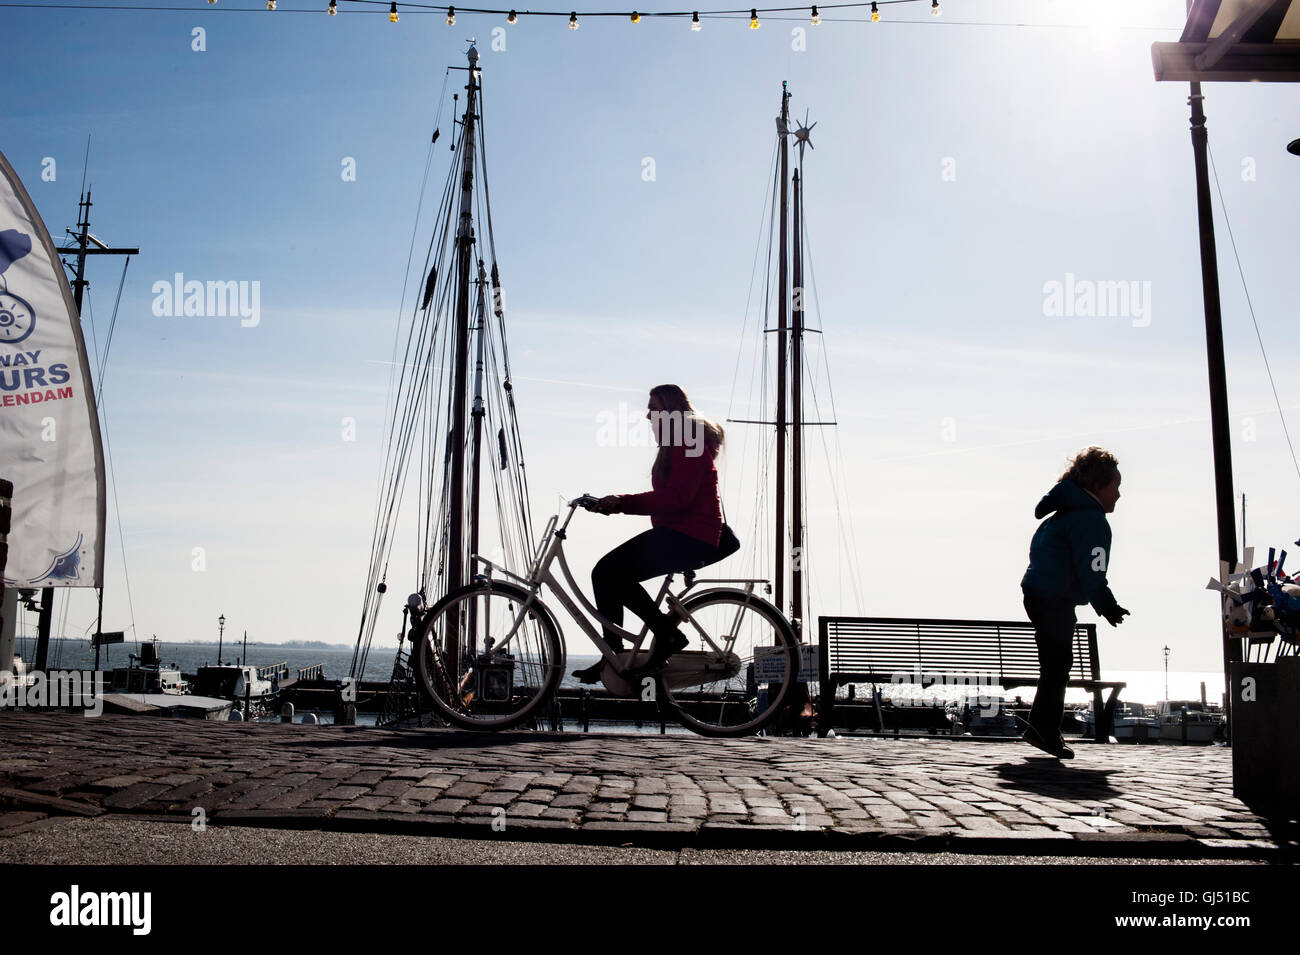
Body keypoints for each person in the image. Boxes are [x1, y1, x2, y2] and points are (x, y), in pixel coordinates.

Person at [573, 384, 725, 683]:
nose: (647, 415)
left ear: (669, 411)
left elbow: (678, 497)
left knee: (607, 573)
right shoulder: (680, 441)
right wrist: (614, 503)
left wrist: (621, 503)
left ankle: (663, 637)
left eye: (653, 408)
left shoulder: (688, 439)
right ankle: (614, 656)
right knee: (608, 574)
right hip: (681, 533)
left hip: (689, 535)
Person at [1020, 446, 1129, 759]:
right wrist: (1107, 605)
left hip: (1040, 594)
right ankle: (1042, 730)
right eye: (1115, 486)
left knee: (1055, 665)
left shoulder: (1061, 515)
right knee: (1057, 667)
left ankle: (1041, 728)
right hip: (1054, 599)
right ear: (1097, 486)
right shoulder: (1090, 521)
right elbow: (1092, 571)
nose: (1119, 495)